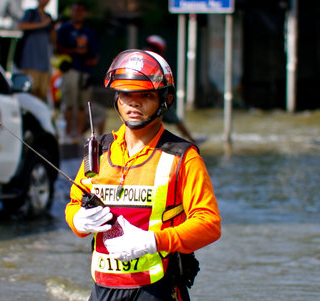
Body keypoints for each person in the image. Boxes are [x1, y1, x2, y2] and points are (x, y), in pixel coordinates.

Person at [65, 50, 221, 301]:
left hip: (159, 289)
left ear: (166, 99)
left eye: (146, 95)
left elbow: (209, 225)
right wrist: (78, 221)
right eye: (126, 95)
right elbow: (73, 204)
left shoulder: (183, 157)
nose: (134, 103)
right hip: (103, 288)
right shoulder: (98, 152)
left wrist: (153, 241)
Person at [56, 2, 100, 142]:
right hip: (70, 70)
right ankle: (68, 134)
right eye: (76, 11)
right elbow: (57, 48)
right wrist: (75, 51)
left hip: (85, 72)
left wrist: (92, 60)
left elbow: (95, 52)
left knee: (83, 105)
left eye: (81, 11)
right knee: (69, 103)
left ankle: (79, 135)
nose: (78, 14)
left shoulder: (88, 33)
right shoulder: (64, 29)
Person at [144, 35, 196, 144]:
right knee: (176, 120)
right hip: (157, 98)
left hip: (151, 97)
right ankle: (191, 140)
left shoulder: (143, 58)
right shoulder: (156, 61)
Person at [16, 0, 55, 102]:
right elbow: (21, 25)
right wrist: (42, 24)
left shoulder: (49, 16)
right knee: (29, 92)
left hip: (44, 63)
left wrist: (52, 27)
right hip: (30, 61)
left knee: (41, 93)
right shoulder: (31, 13)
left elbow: (53, 40)